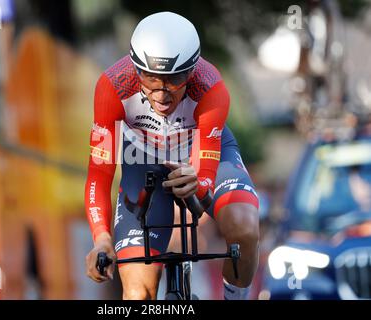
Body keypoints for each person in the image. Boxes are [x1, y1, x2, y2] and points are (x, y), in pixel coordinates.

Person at [84, 12, 259, 300]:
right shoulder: (111, 87)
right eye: (150, 78)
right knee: (138, 293)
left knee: (244, 228)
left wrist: (200, 185)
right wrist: (102, 239)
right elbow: (100, 172)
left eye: (173, 80)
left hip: (202, 154)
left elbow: (204, 181)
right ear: (135, 67)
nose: (161, 94)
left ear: (191, 72)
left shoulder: (211, 87)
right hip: (141, 161)